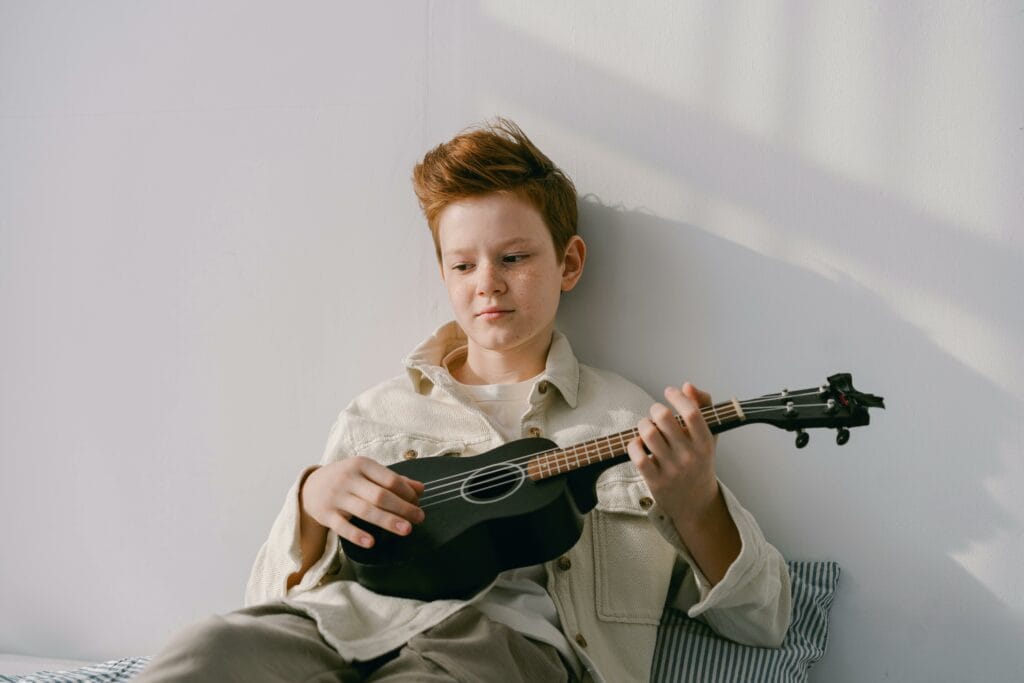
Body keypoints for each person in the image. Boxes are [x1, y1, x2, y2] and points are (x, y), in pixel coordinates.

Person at [136, 117, 791, 682]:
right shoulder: (376, 416)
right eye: (463, 265)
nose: (488, 284)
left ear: (569, 263)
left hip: (500, 645)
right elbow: (263, 597)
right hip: (347, 627)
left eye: (513, 257)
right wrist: (311, 500)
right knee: (203, 650)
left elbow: (765, 619)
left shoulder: (629, 420)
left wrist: (695, 503)